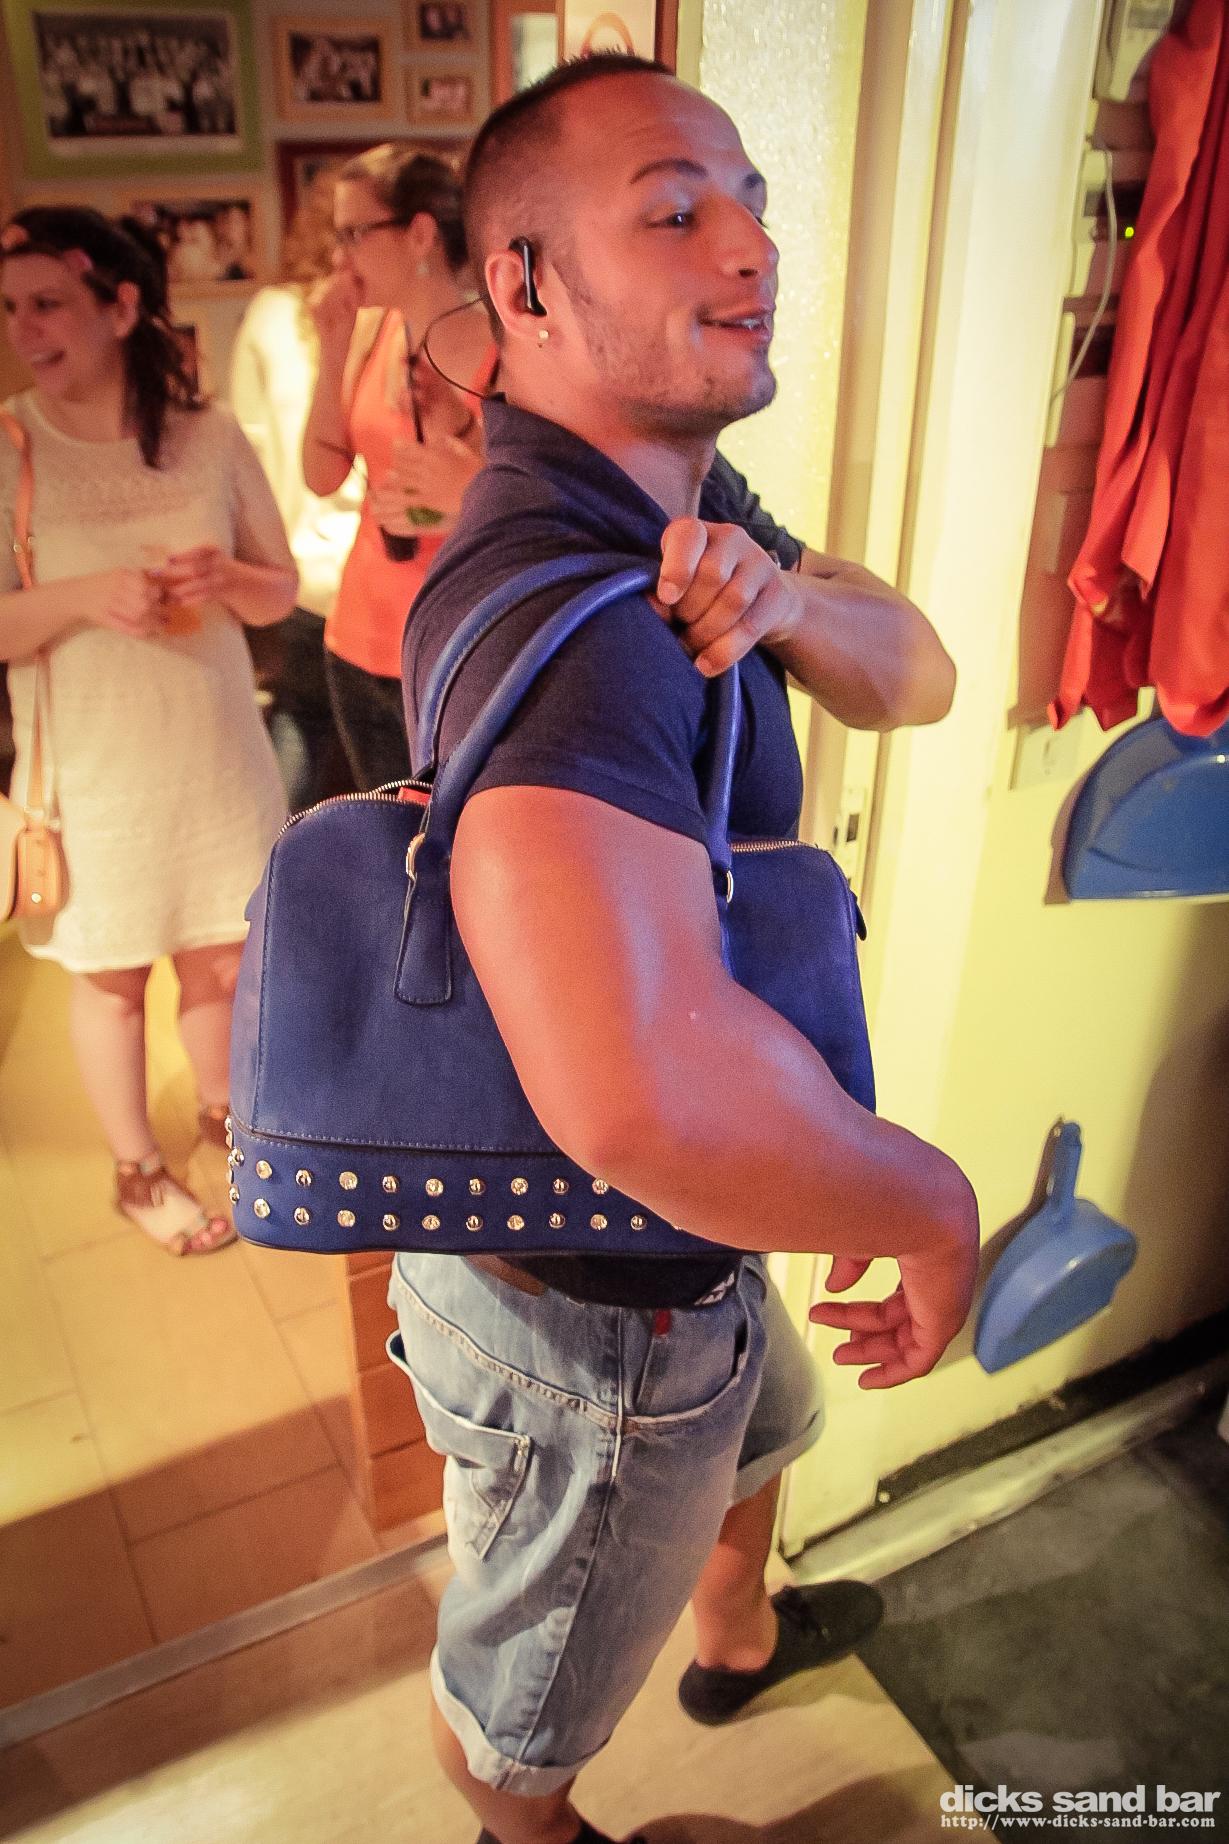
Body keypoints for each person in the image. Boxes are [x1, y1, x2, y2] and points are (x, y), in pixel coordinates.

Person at [389, 56, 982, 1844]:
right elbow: (636, 1097)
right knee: (519, 1715)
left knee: (765, 1429)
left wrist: (783, 601)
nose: (750, 245)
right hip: (590, 1314)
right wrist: (929, 1204)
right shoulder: (581, 617)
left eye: (747, 199)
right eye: (672, 209)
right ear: (525, 284)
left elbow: (918, 674)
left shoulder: (668, 514)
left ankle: (734, 1636)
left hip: (671, 1261)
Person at [0, 206, 296, 1255]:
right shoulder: (11, 442)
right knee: (112, 977)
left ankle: (223, 1114)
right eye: (12, 308)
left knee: (222, 959)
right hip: (92, 771)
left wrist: (227, 576)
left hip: (214, 753)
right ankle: (136, 1168)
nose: (25, 328)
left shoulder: (210, 433)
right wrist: (86, 595)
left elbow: (278, 590)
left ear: (122, 306)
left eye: (48, 303)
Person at [302, 144, 496, 790]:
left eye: (354, 234)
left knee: (450, 837)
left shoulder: (504, 349)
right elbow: (322, 476)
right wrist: (332, 348)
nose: (340, 259)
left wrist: (461, 491)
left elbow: (536, 502)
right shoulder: (371, 332)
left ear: (419, 233)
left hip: (456, 647)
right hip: (358, 639)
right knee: (385, 839)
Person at [229, 170, 360, 811]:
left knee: (312, 729)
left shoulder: (274, 314)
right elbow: (247, 448)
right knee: (313, 729)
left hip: (343, 568)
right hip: (321, 570)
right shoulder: (279, 314)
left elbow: (250, 443)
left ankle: (281, 869)